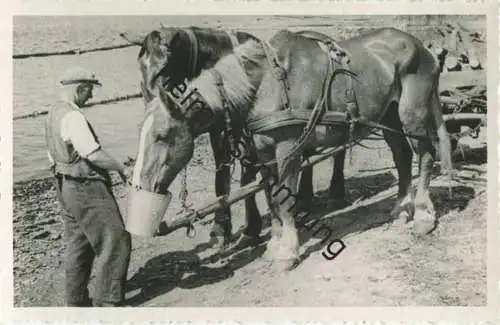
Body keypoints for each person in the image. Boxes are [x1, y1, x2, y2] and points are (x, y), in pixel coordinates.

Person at [44, 66, 131, 307]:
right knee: (115, 238)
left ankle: (76, 300)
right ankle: (107, 301)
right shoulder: (73, 116)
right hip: (86, 187)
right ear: (80, 88)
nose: (91, 96)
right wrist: (122, 168)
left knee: (79, 243)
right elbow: (93, 154)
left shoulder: (53, 113)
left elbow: (54, 155)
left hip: (64, 186)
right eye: (90, 90)